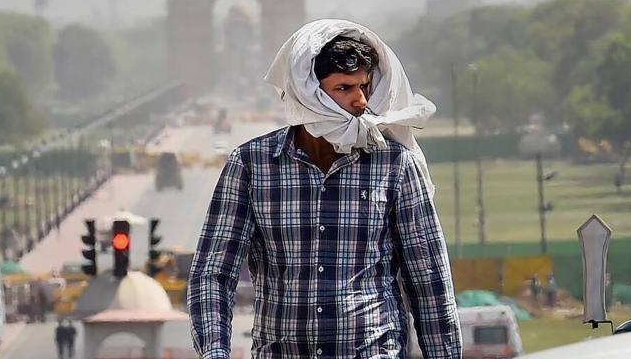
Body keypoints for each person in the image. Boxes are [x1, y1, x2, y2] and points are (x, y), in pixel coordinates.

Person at [188, 19, 462, 358]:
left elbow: (428, 280)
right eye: (343, 88)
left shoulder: (394, 164)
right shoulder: (252, 165)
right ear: (309, 93)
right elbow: (213, 273)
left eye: (363, 86)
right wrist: (215, 351)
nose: (360, 101)